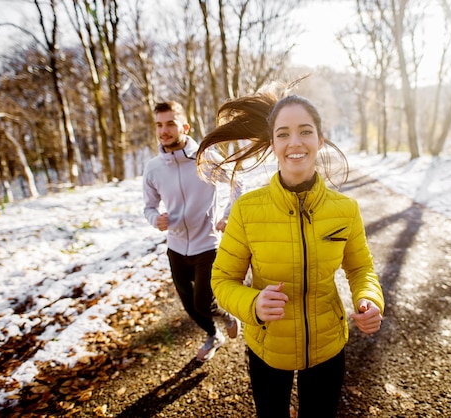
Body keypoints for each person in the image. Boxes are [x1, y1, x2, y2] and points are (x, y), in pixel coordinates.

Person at [196, 86, 385, 417]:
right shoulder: (246, 210)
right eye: (283, 134)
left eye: (305, 132)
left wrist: (369, 300)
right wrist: (252, 303)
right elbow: (223, 280)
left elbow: (361, 270)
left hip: (328, 347)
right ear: (273, 145)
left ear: (320, 140)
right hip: (267, 346)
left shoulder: (345, 209)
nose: (294, 142)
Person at [143, 101, 242, 362]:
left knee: (203, 302)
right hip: (175, 248)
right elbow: (149, 207)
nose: (164, 131)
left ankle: (227, 317)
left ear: (185, 127)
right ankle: (213, 335)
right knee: (189, 305)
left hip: (207, 245)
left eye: (170, 124)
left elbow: (237, 183)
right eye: (159, 125)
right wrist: (156, 219)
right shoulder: (153, 168)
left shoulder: (205, 158)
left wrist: (227, 216)